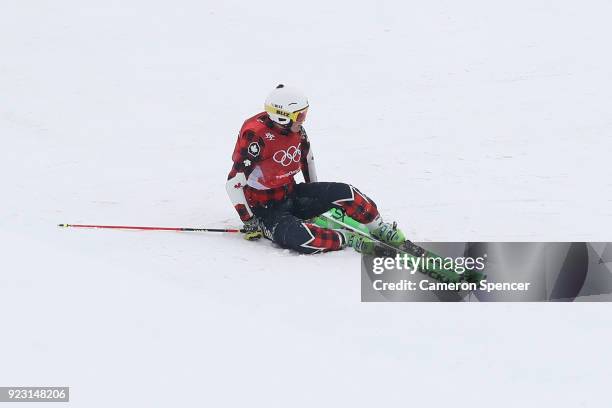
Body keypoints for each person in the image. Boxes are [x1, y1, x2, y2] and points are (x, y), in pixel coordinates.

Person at [225, 84, 406, 254]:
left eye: (304, 113)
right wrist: (249, 220)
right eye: (300, 116)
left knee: (346, 191)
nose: (304, 120)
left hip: (290, 193)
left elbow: (307, 159)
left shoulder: (296, 131)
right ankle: (346, 239)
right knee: (300, 238)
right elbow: (233, 183)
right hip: (266, 210)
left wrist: (314, 199)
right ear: (282, 116)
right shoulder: (256, 137)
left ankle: (378, 227)